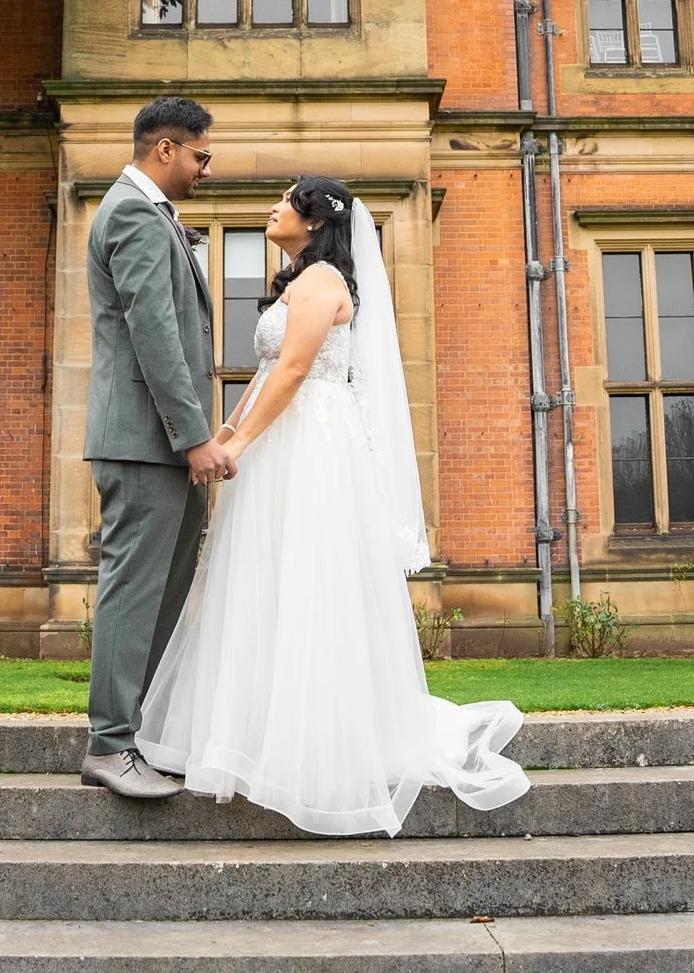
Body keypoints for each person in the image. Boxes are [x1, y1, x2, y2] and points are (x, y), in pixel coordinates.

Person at [137, 176, 529, 835]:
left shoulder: (322, 284)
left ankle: (311, 742)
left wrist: (242, 444)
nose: (272, 206)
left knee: (307, 582)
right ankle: (264, 729)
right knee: (267, 584)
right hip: (284, 439)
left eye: (285, 199)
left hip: (309, 446)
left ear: (315, 220)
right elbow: (268, 375)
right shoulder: (304, 280)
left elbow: (292, 372)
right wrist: (229, 435)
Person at [79, 96, 233, 800]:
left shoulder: (153, 215)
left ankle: (135, 735)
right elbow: (155, 338)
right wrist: (195, 437)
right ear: (165, 150)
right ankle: (109, 745)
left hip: (161, 447)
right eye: (202, 155)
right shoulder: (135, 214)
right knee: (134, 591)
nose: (208, 168)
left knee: (162, 594)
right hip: (146, 445)